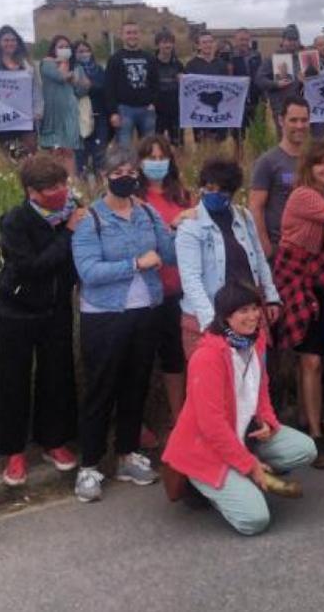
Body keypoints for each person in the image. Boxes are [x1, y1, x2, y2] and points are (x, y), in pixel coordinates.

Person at [161, 282, 317, 535]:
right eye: (243, 310)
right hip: (206, 447)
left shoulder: (255, 340)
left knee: (305, 449)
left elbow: (261, 388)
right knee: (254, 521)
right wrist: (248, 465)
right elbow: (211, 425)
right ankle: (201, 482)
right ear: (225, 316)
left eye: (256, 308)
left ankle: (240, 475)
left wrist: (267, 420)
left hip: (244, 434)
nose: (254, 316)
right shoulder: (206, 357)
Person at [70, 146, 177, 503]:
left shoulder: (146, 211)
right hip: (104, 315)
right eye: (117, 173)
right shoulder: (91, 220)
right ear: (104, 178)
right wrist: (134, 263)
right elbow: (88, 272)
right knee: (101, 388)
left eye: (131, 172)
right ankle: (89, 465)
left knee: (136, 385)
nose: (125, 178)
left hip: (146, 310)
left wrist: (184, 224)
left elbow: (169, 252)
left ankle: (128, 454)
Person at [0, 154, 83, 487]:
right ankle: (13, 451)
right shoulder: (15, 221)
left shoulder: (72, 210)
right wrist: (67, 234)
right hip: (15, 310)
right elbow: (32, 266)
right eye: (51, 187)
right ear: (32, 191)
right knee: (12, 381)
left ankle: (54, 441)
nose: (60, 191)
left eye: (63, 183)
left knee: (56, 376)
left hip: (56, 308)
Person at [273, 141, 324, 468]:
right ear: (308, 167)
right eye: (321, 163)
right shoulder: (303, 195)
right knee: (309, 360)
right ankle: (313, 433)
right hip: (297, 276)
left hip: (323, 276)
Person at [177, 157, 282, 354]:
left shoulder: (243, 216)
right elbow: (190, 279)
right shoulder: (190, 226)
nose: (213, 194)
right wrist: (212, 322)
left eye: (221, 189)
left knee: (254, 377)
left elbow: (259, 258)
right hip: (210, 317)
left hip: (246, 313)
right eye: (209, 187)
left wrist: (271, 297)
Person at [138, 134, 195, 445]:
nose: (156, 163)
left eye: (162, 157)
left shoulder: (182, 194)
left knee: (175, 359)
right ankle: (138, 423)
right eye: (151, 157)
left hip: (178, 289)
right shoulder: (134, 197)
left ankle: (180, 418)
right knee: (142, 360)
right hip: (145, 292)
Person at [248, 96, 308, 258]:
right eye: (293, 120)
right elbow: (255, 206)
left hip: (310, 247)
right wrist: (264, 245)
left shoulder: (313, 160)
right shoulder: (267, 161)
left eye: (304, 120)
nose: (299, 126)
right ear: (281, 121)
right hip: (280, 247)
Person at [0, 25, 41, 157]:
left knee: (29, 154)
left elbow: (36, 89)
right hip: (3, 119)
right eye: (6, 40)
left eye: (13, 40)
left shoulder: (27, 64)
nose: (10, 43)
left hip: (26, 117)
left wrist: (38, 110)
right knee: (10, 155)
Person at [105, 21, 159, 144]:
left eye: (135, 32)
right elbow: (109, 88)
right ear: (122, 35)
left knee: (148, 148)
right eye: (128, 33)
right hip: (124, 109)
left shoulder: (149, 58)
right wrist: (113, 112)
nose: (132, 36)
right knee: (124, 150)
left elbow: (155, 83)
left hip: (147, 109)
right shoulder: (115, 59)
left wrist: (154, 103)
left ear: (139, 35)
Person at [38, 35, 83, 174]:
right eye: (60, 47)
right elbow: (60, 77)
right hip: (53, 114)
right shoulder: (47, 64)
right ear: (54, 49)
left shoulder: (76, 67)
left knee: (69, 151)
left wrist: (75, 78)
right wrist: (63, 64)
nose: (64, 49)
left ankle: (72, 185)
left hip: (70, 113)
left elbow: (81, 89)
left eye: (67, 47)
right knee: (56, 151)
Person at [255, 24, 302, 134]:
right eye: (289, 39)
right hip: (281, 107)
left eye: (295, 39)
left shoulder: (301, 59)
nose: (292, 42)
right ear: (283, 40)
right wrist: (276, 84)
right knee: (285, 140)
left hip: (299, 107)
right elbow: (259, 79)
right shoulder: (272, 58)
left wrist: (303, 81)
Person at [72, 40, 110, 176]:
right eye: (80, 51)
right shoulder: (72, 70)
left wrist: (91, 85)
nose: (84, 54)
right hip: (79, 117)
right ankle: (83, 188)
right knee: (80, 155)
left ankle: (101, 187)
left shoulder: (99, 69)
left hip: (99, 116)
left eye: (86, 50)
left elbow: (105, 88)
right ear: (74, 53)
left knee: (100, 155)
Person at [152, 29, 184, 147]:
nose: (168, 45)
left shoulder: (179, 64)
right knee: (155, 145)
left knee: (178, 144)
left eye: (170, 42)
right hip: (156, 111)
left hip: (175, 110)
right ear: (158, 44)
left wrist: (183, 80)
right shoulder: (151, 63)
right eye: (164, 42)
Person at [229, 28, 263, 133]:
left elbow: (261, 76)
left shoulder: (256, 55)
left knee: (258, 132)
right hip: (237, 101)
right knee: (238, 135)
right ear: (235, 40)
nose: (244, 42)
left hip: (255, 100)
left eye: (246, 40)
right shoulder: (229, 57)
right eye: (241, 39)